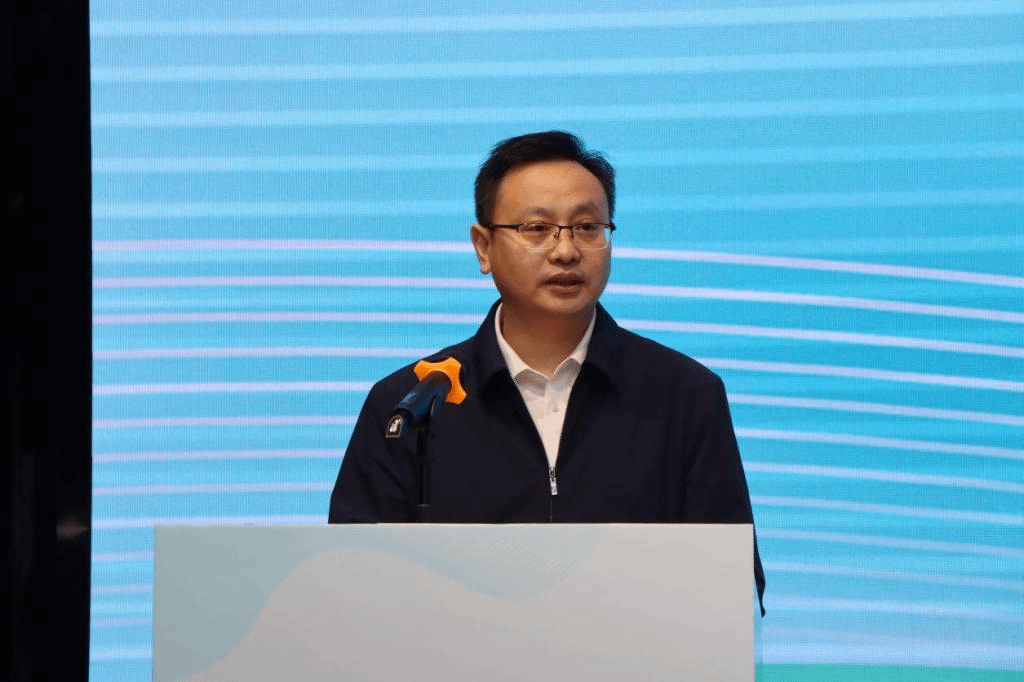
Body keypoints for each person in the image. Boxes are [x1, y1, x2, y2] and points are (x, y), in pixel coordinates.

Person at [329, 130, 765, 611]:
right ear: (483, 247)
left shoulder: (683, 395)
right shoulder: (411, 404)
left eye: (587, 227)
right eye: (537, 228)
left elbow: (730, 589)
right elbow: (353, 593)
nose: (566, 251)